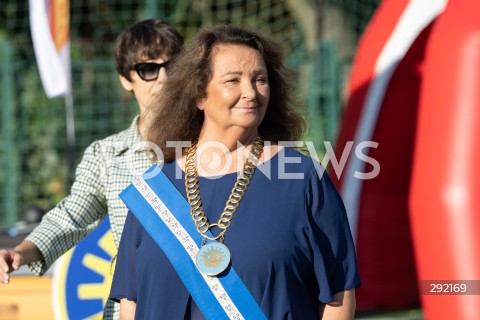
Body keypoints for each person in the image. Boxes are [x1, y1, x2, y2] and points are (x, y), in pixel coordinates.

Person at [109, 24, 361, 319]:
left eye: (260, 79)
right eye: (233, 80)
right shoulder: (153, 189)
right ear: (198, 96)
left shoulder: (303, 179)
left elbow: (338, 296)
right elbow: (131, 303)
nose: (250, 92)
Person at [0, 19, 184, 319]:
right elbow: (71, 216)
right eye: (148, 69)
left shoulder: (213, 147)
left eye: (172, 67)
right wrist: (21, 251)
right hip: (132, 308)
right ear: (126, 78)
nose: (163, 78)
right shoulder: (107, 155)